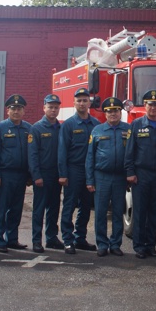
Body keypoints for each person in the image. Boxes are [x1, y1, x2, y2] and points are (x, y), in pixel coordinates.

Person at [124, 90, 156, 259]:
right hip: (141, 175)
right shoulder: (136, 125)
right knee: (140, 211)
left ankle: (150, 245)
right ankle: (139, 246)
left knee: (154, 211)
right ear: (145, 106)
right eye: (150, 104)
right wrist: (130, 172)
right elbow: (129, 151)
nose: (153, 107)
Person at [86, 97, 131, 257]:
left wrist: (129, 176)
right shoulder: (97, 131)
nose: (113, 114)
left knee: (118, 212)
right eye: (109, 111)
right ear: (105, 113)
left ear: (120, 112)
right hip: (101, 177)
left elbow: (132, 155)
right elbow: (90, 157)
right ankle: (102, 244)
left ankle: (116, 244)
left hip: (120, 177)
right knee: (101, 212)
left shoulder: (128, 129)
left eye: (116, 111)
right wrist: (90, 179)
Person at [0, 94, 32, 253]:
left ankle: (12, 239)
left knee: (16, 209)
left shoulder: (28, 128)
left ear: (23, 111)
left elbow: (31, 154)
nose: (16, 111)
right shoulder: (0, 128)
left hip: (21, 176)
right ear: (8, 110)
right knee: (1, 209)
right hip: (5, 175)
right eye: (13, 108)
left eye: (19, 108)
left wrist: (30, 175)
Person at [58, 87, 99, 254]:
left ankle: (80, 238)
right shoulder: (68, 125)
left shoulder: (96, 124)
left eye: (85, 100)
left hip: (90, 172)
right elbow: (62, 151)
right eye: (79, 100)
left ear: (89, 103)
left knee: (86, 206)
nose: (82, 103)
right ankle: (68, 240)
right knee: (69, 206)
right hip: (73, 170)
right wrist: (63, 174)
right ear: (74, 103)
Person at [29, 93, 64, 252]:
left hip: (56, 175)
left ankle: (51, 238)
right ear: (44, 108)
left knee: (54, 208)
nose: (53, 110)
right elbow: (32, 154)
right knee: (39, 209)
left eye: (56, 107)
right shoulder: (36, 128)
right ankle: (37, 240)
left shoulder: (61, 128)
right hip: (42, 176)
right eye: (50, 107)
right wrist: (36, 175)